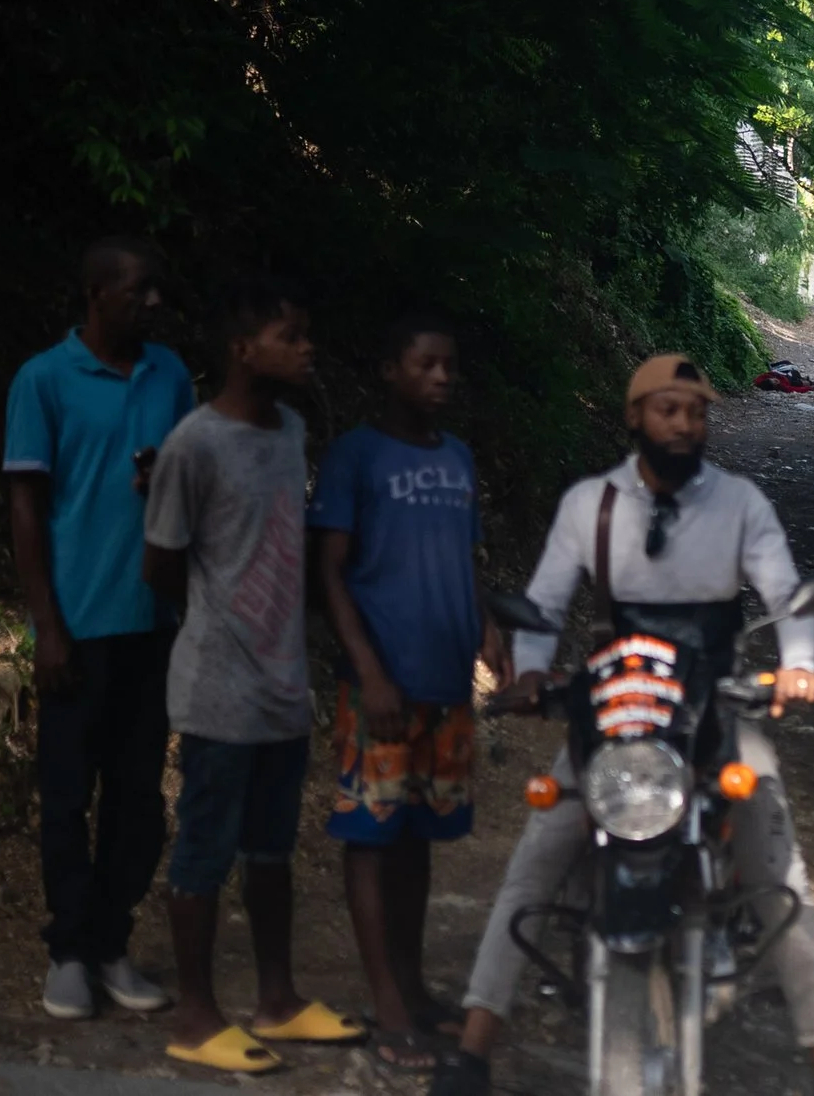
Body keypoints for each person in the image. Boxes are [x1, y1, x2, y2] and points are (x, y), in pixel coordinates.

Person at [434, 354, 814, 1096]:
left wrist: (799, 666)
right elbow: (544, 603)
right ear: (635, 418)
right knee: (537, 858)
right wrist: (531, 676)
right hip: (617, 712)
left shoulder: (741, 503)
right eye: (668, 409)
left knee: (777, 867)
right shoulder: (590, 505)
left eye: (696, 412)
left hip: (714, 706)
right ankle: (472, 1046)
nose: (685, 423)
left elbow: (787, 595)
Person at [143, 277, 365, 1074]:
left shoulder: (291, 430)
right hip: (217, 684)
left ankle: (278, 1000)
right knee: (205, 850)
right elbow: (163, 564)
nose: (308, 349)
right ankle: (198, 1018)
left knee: (272, 850)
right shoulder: (193, 445)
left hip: (282, 682)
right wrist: (225, 615)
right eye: (292, 336)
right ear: (243, 350)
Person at [311, 316, 512, 1070]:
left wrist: (486, 625)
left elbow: (462, 556)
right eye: (425, 365)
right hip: (381, 687)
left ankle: (414, 985)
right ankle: (388, 1008)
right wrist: (366, 669)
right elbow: (328, 570)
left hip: (442, 682)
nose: (441, 379)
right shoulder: (355, 456)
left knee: (421, 838)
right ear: (389, 369)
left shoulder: (457, 458)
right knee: (371, 837)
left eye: (450, 367)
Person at [4, 237, 195, 1022]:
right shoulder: (43, 381)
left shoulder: (171, 374)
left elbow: (191, 483)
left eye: (160, 291)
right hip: (77, 625)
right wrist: (46, 625)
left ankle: (111, 942)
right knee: (64, 796)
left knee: (139, 798)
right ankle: (69, 954)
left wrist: (166, 480)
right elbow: (24, 505)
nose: (155, 303)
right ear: (96, 294)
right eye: (140, 290)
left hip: (152, 620)